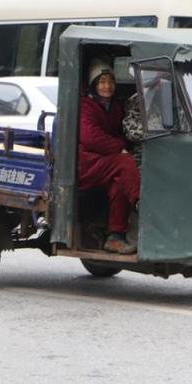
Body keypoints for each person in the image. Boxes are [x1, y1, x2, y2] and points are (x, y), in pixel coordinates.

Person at [78, 57, 141, 255]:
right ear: (94, 85)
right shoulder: (86, 106)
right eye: (102, 82)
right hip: (87, 164)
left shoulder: (114, 107)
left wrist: (120, 144)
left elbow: (123, 134)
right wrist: (119, 147)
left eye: (111, 82)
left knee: (120, 185)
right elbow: (90, 137)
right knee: (124, 162)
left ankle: (115, 236)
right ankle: (142, 204)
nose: (107, 86)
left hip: (104, 164)